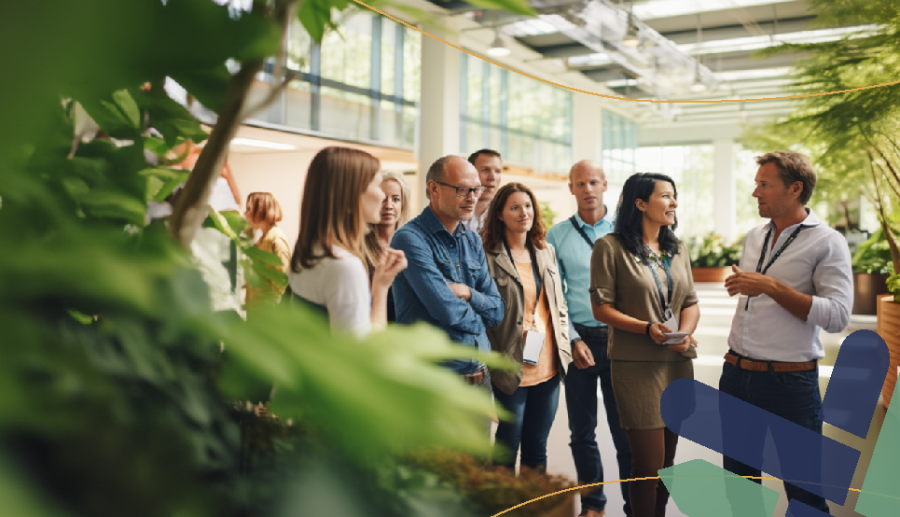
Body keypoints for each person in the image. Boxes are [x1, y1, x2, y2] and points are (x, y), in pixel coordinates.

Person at [721, 152, 852, 514]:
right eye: (756, 183)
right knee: (739, 490)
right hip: (735, 377)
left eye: (765, 184)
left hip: (788, 386)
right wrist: (750, 287)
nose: (755, 193)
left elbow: (839, 316)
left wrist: (771, 287)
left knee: (805, 496)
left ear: (795, 189)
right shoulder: (754, 237)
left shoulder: (827, 242)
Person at [590, 173, 700, 517]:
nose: (674, 203)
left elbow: (691, 302)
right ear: (640, 203)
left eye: (675, 196)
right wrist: (646, 328)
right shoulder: (609, 247)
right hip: (636, 366)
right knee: (648, 463)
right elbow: (601, 308)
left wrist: (683, 333)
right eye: (666, 196)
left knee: (668, 463)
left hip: (677, 362)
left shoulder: (676, 248)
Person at [546, 160, 632, 517]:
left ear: (605, 185)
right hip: (578, 341)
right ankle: (593, 505)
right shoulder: (557, 235)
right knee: (582, 432)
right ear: (571, 188)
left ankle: (634, 505)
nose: (587, 189)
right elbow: (554, 295)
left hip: (622, 341)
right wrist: (574, 339)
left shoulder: (628, 231)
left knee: (625, 431)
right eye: (580, 183)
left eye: (593, 182)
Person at [391, 155, 504, 401]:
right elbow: (447, 310)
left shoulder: (472, 239)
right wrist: (482, 319)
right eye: (463, 190)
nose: (472, 198)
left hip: (479, 379)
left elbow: (498, 309)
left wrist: (468, 293)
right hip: (433, 384)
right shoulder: (409, 239)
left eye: (476, 189)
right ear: (434, 189)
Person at [482, 183, 572, 474]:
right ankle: (500, 506)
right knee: (507, 442)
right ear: (499, 215)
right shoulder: (488, 256)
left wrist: (564, 346)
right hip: (510, 365)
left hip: (547, 365)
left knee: (536, 446)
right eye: (515, 207)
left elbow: (558, 305)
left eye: (528, 205)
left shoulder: (545, 251)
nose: (524, 213)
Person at [289, 146, 407, 336]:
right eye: (377, 186)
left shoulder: (308, 250)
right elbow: (364, 354)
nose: (383, 197)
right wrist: (381, 289)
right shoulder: (344, 266)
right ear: (353, 193)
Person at [364, 171, 412, 323]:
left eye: (395, 199)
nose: (389, 206)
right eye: (383, 199)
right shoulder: (359, 247)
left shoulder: (412, 245)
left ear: (403, 205)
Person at [244, 192, 292, 311]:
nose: (245, 214)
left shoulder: (276, 241)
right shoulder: (261, 241)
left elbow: (282, 285)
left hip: (268, 317)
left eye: (249, 209)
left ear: (261, 210)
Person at [463, 149, 503, 234]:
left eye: (497, 171)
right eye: (485, 170)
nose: (492, 177)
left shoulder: (507, 217)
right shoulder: (449, 214)